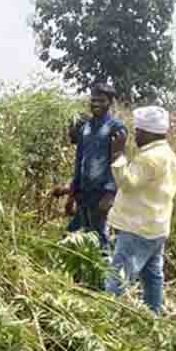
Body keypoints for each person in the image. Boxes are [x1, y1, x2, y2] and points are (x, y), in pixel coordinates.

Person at [105, 106, 176, 316]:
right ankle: (154, 316)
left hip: (137, 228)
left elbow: (127, 183)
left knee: (118, 278)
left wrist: (118, 155)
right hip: (156, 228)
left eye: (138, 131)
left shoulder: (149, 158)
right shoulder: (169, 156)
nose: (136, 135)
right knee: (152, 276)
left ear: (148, 132)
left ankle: (104, 319)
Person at [53, 84, 127, 252]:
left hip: (101, 193)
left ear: (110, 102)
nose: (96, 104)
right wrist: (73, 191)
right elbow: (80, 161)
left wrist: (110, 193)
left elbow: (118, 161)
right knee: (74, 235)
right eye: (93, 100)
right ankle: (78, 274)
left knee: (99, 236)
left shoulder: (116, 128)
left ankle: (106, 273)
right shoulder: (85, 128)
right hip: (84, 191)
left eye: (101, 100)